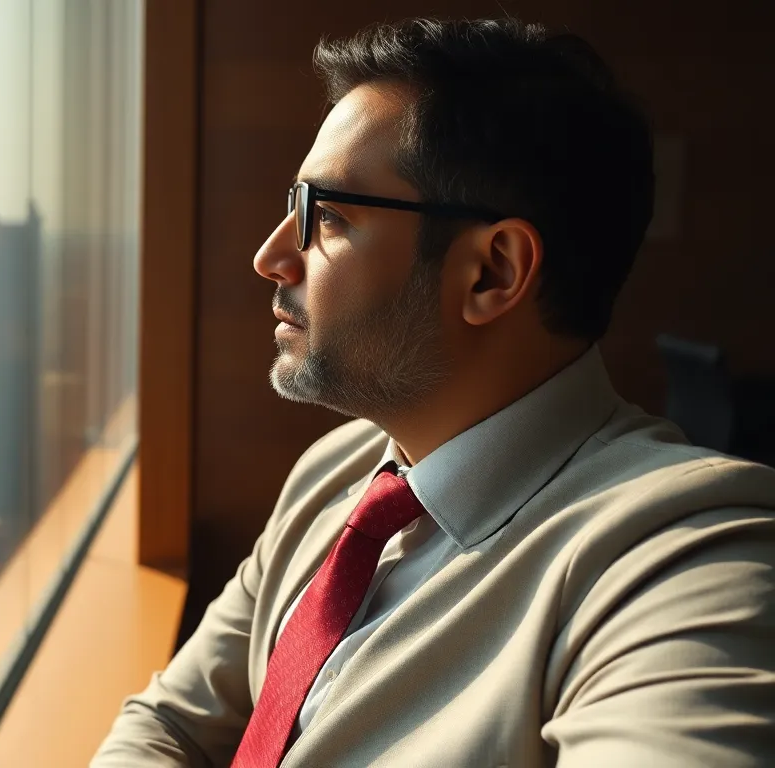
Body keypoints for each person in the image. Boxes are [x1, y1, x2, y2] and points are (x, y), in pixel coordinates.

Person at [93, 17, 775, 768]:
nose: (271, 256)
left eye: (328, 216)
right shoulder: (339, 471)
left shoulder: (679, 557)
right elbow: (171, 724)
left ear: (492, 272)